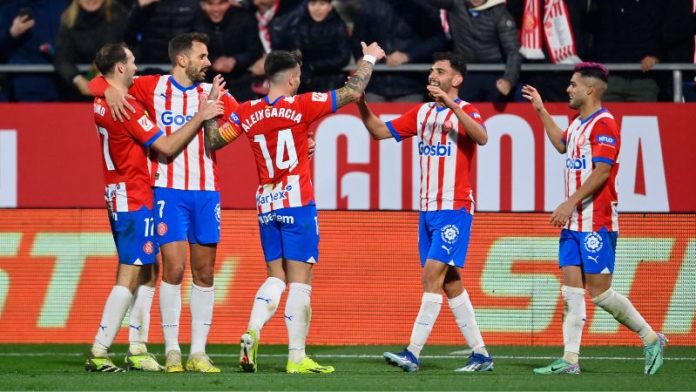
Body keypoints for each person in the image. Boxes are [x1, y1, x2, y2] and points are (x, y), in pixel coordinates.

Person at [202, 43, 386, 373]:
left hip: (266, 205)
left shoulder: (247, 111)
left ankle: (252, 330)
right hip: (298, 202)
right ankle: (296, 357)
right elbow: (355, 89)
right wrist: (369, 57)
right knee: (300, 282)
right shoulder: (303, 105)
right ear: (289, 80)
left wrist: (209, 110)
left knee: (275, 276)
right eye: (298, 76)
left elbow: (213, 141)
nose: (300, 81)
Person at [89, 32, 239, 373]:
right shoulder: (147, 87)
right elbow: (103, 80)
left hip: (205, 191)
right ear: (182, 59)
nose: (208, 62)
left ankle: (197, 353)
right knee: (171, 269)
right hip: (165, 191)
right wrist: (108, 88)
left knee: (202, 272)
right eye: (202, 56)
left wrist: (295, 143)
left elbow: (246, 119)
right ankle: (171, 350)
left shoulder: (212, 94)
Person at [521, 62, 667, 375]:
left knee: (600, 293)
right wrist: (541, 111)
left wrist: (569, 203)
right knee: (570, 292)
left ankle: (651, 337)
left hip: (595, 220)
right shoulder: (577, 123)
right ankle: (570, 360)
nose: (568, 89)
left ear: (590, 88)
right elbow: (562, 145)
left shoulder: (605, 125)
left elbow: (602, 172)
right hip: (573, 222)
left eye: (573, 84)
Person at [355, 52, 493, 373]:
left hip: (454, 208)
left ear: (456, 80)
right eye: (432, 70)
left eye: (440, 71)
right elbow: (379, 131)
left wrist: (452, 104)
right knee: (451, 283)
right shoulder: (421, 113)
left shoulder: (466, 111)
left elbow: (483, 137)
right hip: (427, 210)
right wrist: (361, 103)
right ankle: (481, 354)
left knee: (431, 276)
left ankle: (412, 352)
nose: (433, 75)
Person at [431, 0, 521, 102]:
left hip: (493, 73)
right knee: (462, 114)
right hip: (465, 74)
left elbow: (513, 50)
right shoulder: (455, 4)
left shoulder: (499, 12)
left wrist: (509, 79)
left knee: (492, 115)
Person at [54, 0, 127, 100]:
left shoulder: (119, 15)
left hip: (115, 89)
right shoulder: (68, 19)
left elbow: (129, 49)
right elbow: (62, 58)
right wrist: (78, 80)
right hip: (76, 92)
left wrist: (107, 71)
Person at [192, 0, 264, 101]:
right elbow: (193, 50)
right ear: (202, 5)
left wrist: (235, 60)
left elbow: (255, 51)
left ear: (229, 2)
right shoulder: (196, 19)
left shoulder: (244, 17)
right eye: (210, 4)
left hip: (243, 80)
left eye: (221, 3)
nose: (216, 9)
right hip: (208, 81)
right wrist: (213, 61)